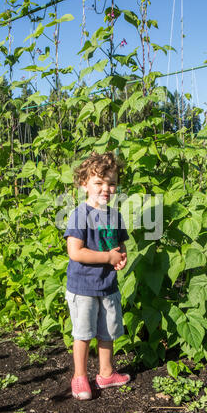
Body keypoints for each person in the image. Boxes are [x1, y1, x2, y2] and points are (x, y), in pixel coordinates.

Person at [64, 151, 130, 400]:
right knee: (83, 333)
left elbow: (120, 245)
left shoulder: (115, 216)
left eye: (111, 183)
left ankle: (105, 373)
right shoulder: (79, 215)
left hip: (108, 285)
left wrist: (122, 257)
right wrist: (107, 258)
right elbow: (75, 252)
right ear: (84, 185)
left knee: (107, 331)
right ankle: (79, 377)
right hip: (83, 287)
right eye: (98, 183)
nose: (106, 188)